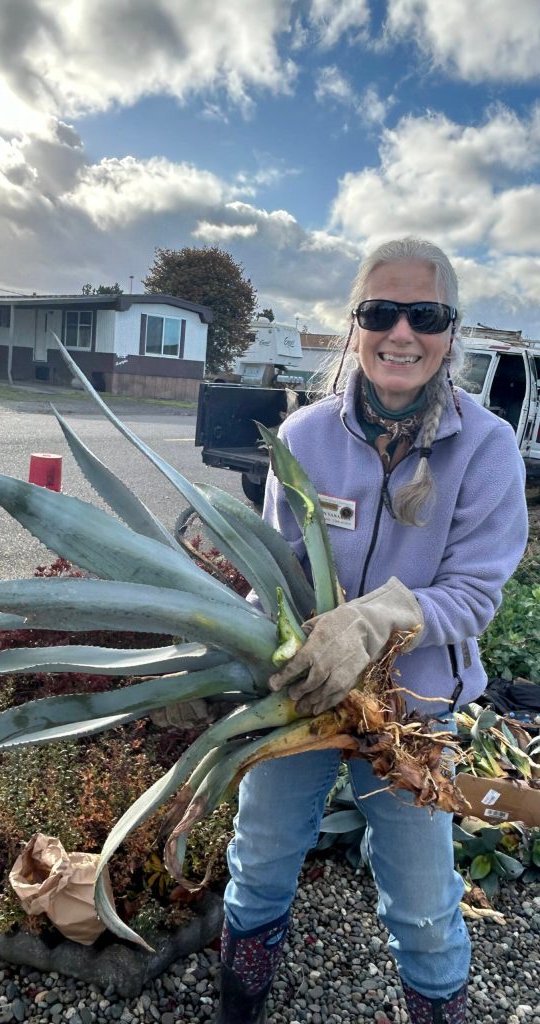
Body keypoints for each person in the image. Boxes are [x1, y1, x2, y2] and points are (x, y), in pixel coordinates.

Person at [215, 238, 528, 1024]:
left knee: (424, 901)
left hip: (417, 710)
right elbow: (276, 572)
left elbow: (473, 595)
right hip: (306, 697)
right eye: (380, 312)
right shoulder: (304, 438)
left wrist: (376, 617)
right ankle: (241, 993)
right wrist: (246, 659)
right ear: (355, 326)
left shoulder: (487, 449)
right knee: (260, 862)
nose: (402, 332)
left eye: (425, 315)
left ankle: (436, 1004)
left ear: (451, 331)